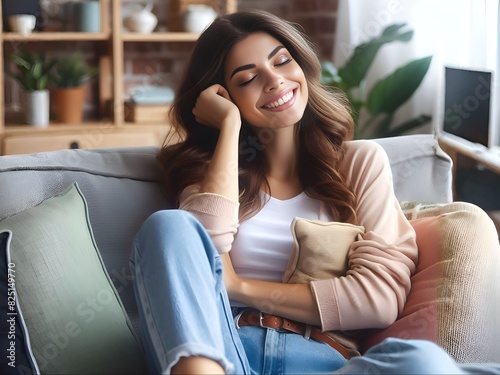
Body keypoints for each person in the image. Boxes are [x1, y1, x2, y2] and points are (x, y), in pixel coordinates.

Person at [130, 9, 500, 375]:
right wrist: (229, 127)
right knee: (168, 226)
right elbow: (199, 254)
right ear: (222, 96)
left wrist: (237, 285)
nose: (274, 81)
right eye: (247, 79)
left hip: (324, 359)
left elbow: (378, 300)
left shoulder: (358, 165)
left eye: (282, 61)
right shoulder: (213, 175)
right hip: (230, 353)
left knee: (422, 361)